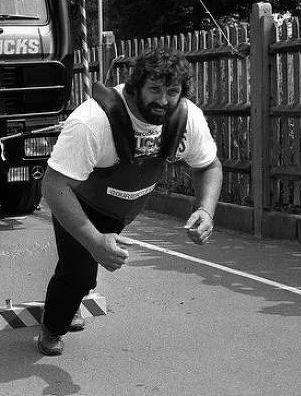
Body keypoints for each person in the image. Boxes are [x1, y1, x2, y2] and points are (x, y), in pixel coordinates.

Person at [37, 47, 223, 356]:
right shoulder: (92, 121)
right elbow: (54, 186)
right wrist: (94, 240)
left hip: (123, 209)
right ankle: (51, 330)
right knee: (79, 273)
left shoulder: (186, 118)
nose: (163, 101)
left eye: (172, 92)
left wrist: (206, 209)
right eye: (154, 90)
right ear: (135, 86)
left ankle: (71, 300)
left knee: (87, 268)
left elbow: (209, 166)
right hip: (78, 202)